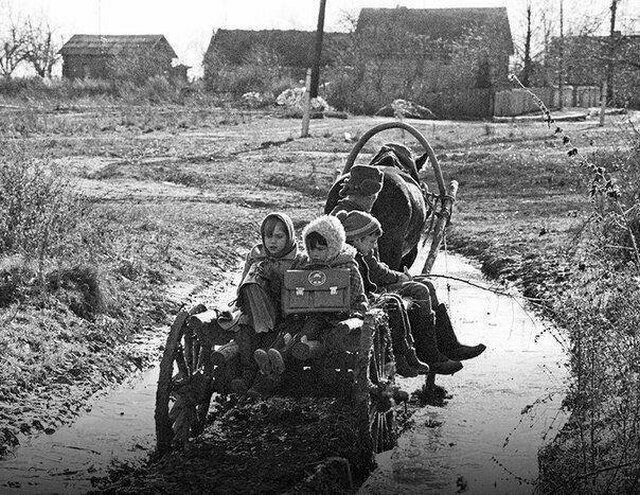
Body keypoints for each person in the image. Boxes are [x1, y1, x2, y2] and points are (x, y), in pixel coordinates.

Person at [337, 210, 486, 375]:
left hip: (374, 289)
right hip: (370, 295)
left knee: (426, 284)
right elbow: (375, 275)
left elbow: (375, 270)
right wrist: (399, 278)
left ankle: (447, 345)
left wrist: (395, 276)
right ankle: (429, 354)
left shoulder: (359, 249)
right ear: (358, 239)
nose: (373, 246)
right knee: (419, 289)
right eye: (372, 242)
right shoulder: (352, 257)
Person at [232, 212, 301, 394]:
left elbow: (300, 294)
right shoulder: (256, 255)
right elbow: (242, 285)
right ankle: (247, 375)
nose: (273, 242)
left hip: (286, 313)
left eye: (279, 236)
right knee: (244, 332)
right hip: (258, 311)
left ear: (289, 236)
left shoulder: (298, 260)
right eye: (268, 236)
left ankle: (265, 380)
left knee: (276, 339)